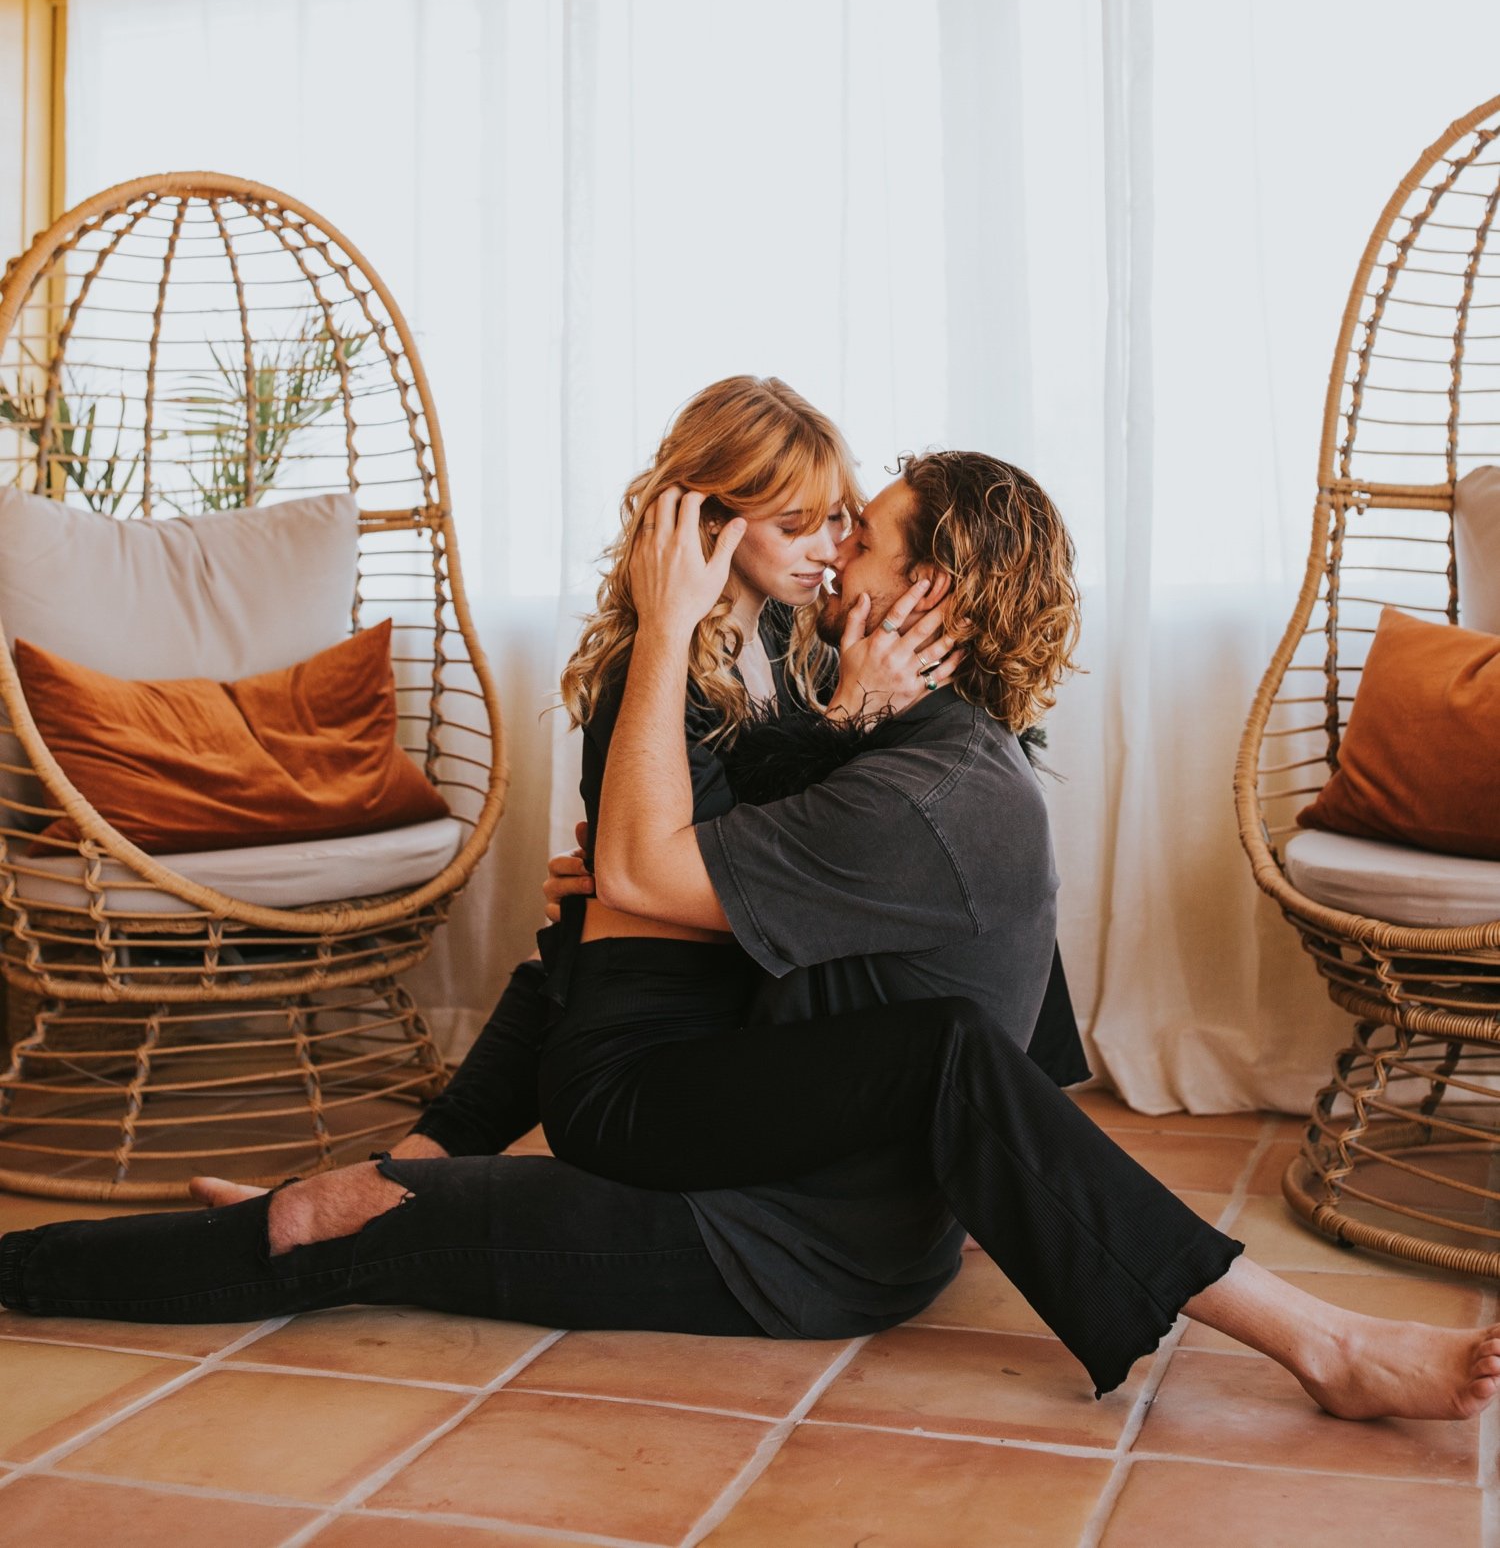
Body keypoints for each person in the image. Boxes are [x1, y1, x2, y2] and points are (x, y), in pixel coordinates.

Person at [5, 402, 1500, 1422]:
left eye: (870, 531)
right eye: (828, 523)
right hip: (782, 1163)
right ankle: (1315, 1334)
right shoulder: (875, 744)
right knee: (354, 1200)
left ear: (941, 596)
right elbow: (610, 934)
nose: (838, 546)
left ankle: (1322, 1342)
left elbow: (652, 895)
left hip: (780, 1239)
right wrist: (440, 1138)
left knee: (339, 1223)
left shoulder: (926, 790)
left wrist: (666, 707)